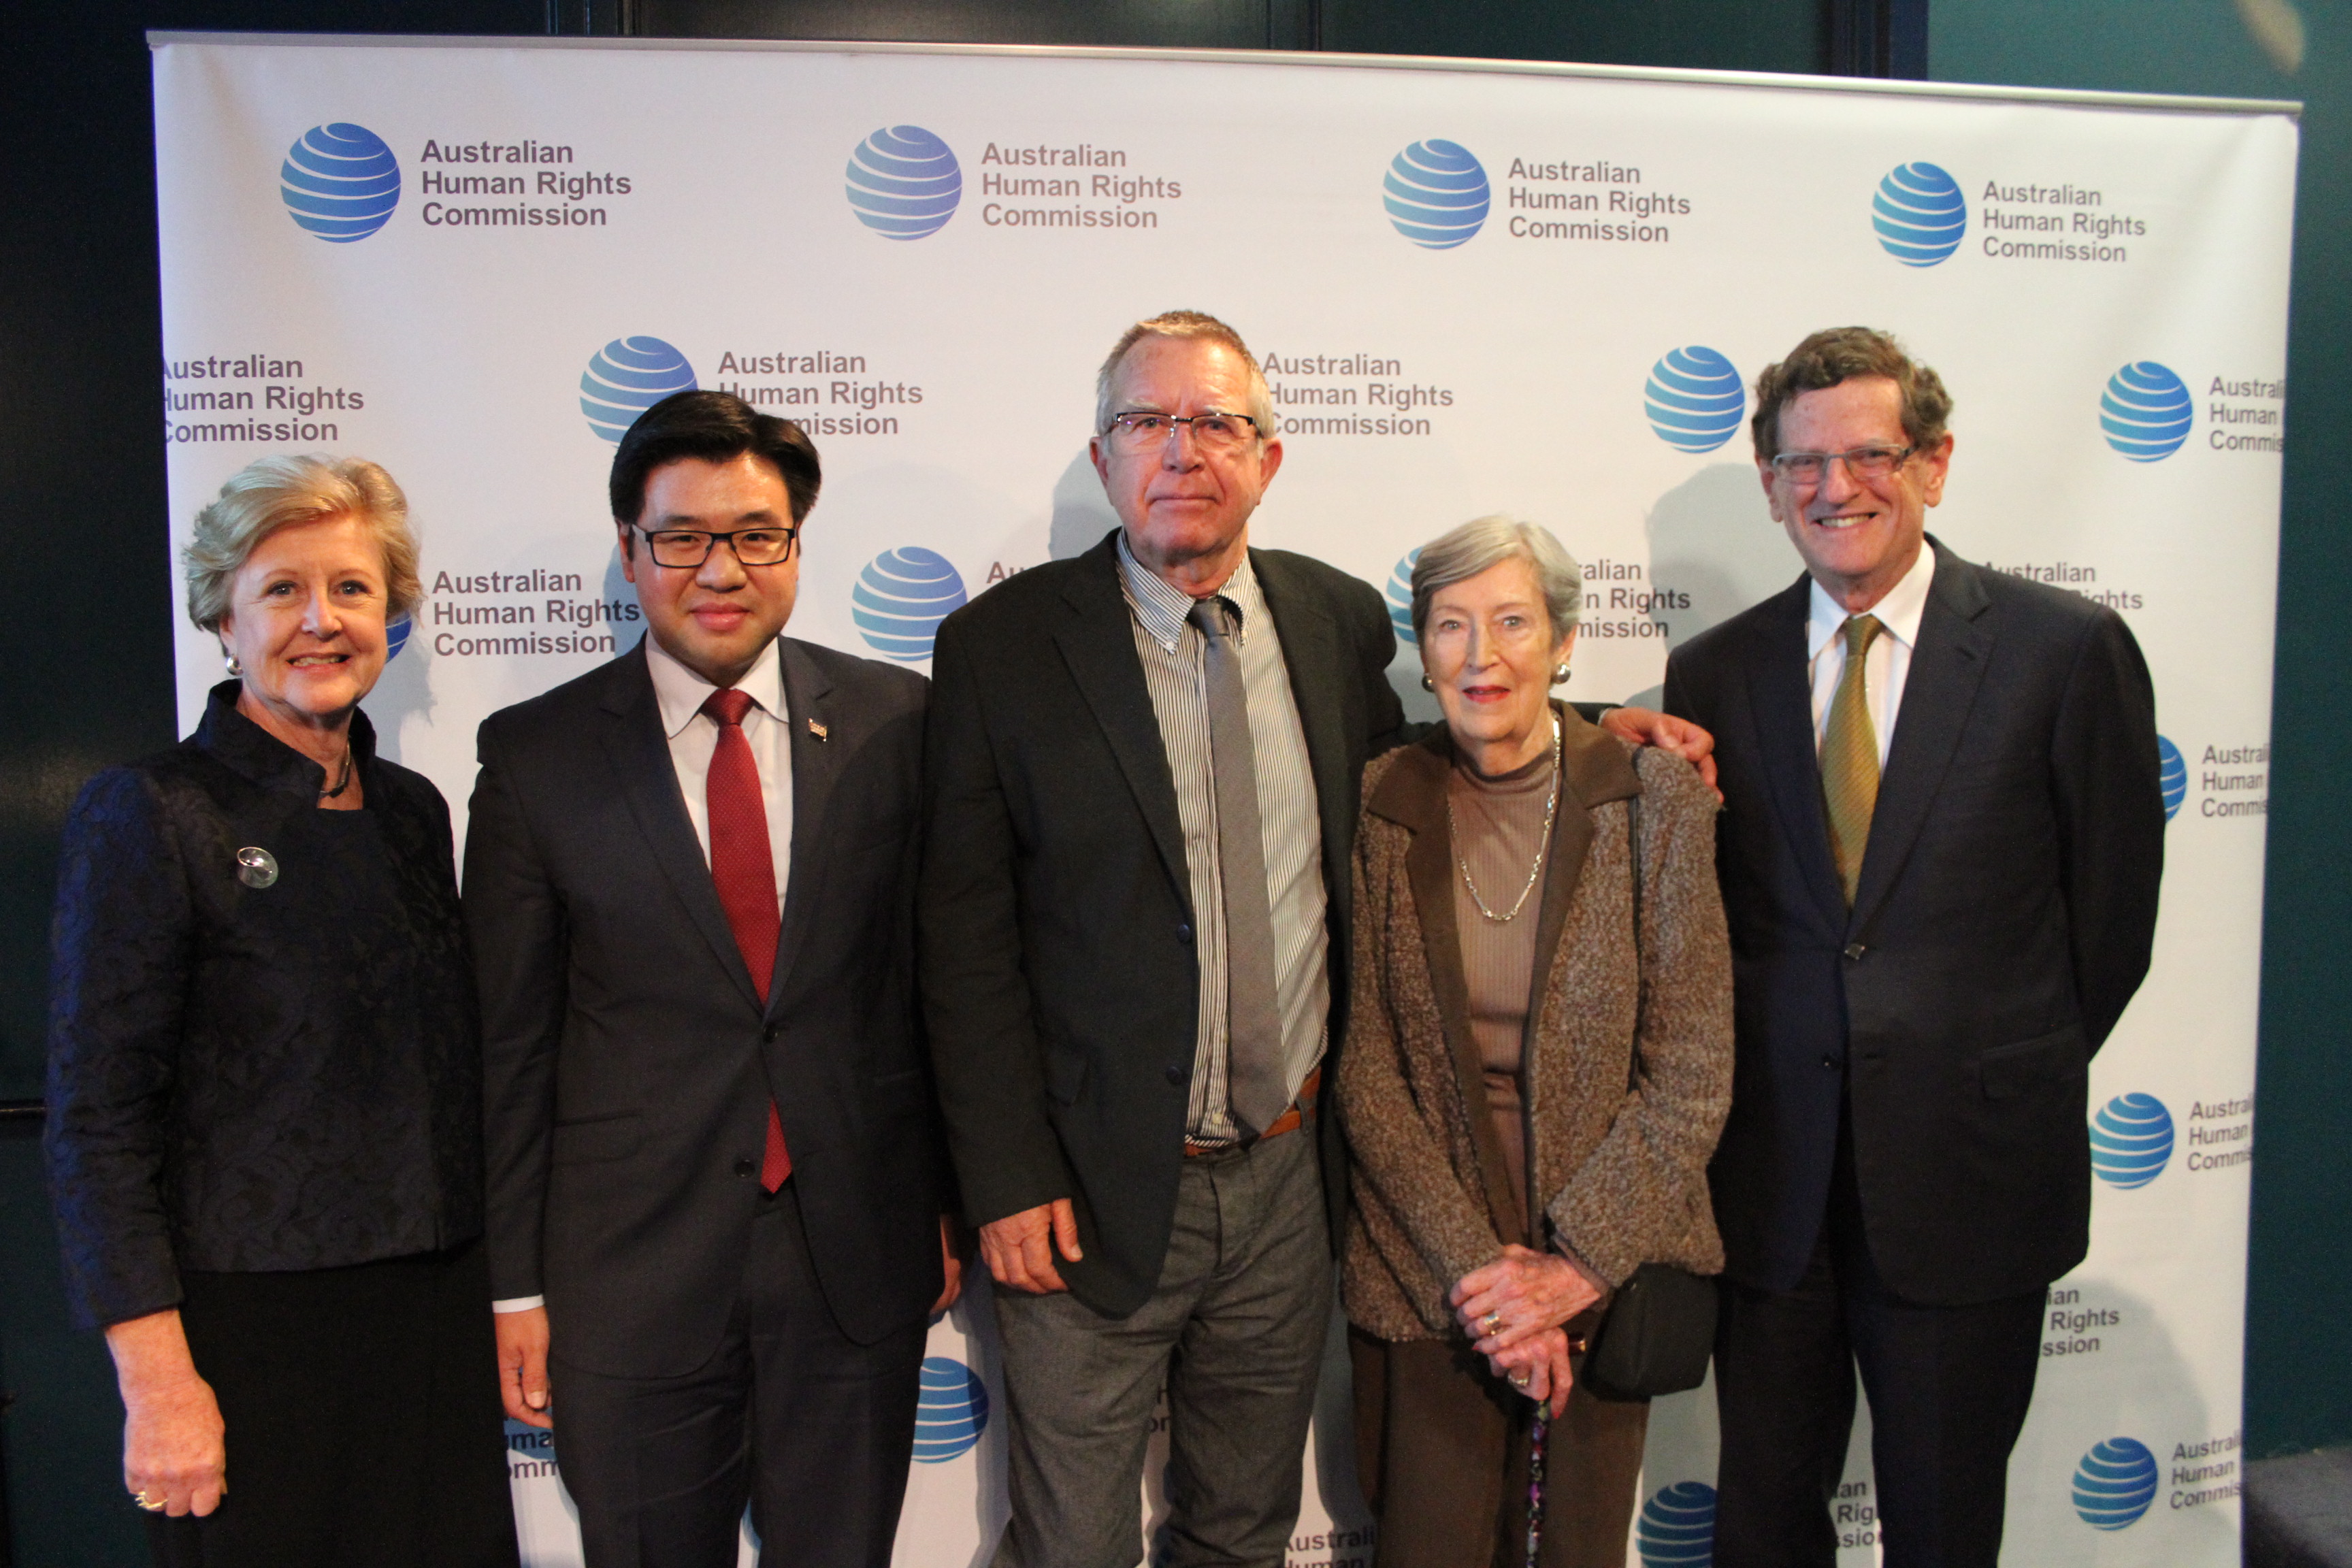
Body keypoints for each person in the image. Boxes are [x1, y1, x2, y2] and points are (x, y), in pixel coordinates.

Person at [919, 310, 1712, 1568]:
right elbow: (959, 940)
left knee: (1242, 1526)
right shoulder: (999, 651)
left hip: (1290, 1181)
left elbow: (1467, 722)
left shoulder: (1338, 622)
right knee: (1071, 1541)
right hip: (1085, 1192)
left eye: (1217, 423)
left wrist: (1618, 729)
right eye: (1147, 423)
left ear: (1269, 459)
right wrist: (1004, 1177)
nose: (1182, 450)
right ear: (1104, 454)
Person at [1662, 327, 2165, 1568]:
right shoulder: (1711, 670)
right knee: (1764, 1516)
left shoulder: (2064, 650)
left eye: (1870, 455)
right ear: (1773, 485)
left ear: (1934, 464)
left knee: (1944, 1521)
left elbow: (2112, 927)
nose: (1837, 489)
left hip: (1971, 1178)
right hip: (1774, 1187)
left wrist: (1975, 1062)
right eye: (1804, 464)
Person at [466, 390, 959, 1568]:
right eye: (681, 536)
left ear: (795, 545)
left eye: (755, 534)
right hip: (627, 1274)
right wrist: (515, 1288)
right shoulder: (536, 756)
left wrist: (945, 1204)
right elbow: (512, 1044)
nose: (720, 568)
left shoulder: (904, 722)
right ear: (630, 552)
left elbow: (936, 993)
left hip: (855, 1260)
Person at [43, 455, 517, 1567]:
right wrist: (160, 1386)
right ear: (222, 616)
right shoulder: (152, 812)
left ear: (389, 615)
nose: (323, 621)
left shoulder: (413, 810)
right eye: (281, 591)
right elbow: (98, 1122)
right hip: (251, 1342)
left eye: (352, 590)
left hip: (434, 1315)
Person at [1337, 517, 1733, 1568]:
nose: (1481, 655)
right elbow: (1365, 1071)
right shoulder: (1383, 799)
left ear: (1563, 642)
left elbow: (1692, 1076)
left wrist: (1571, 1269)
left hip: (1609, 1267)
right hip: (1429, 1273)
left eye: (1513, 622)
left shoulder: (1656, 800)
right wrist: (1484, 1278)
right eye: (1452, 626)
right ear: (1422, 652)